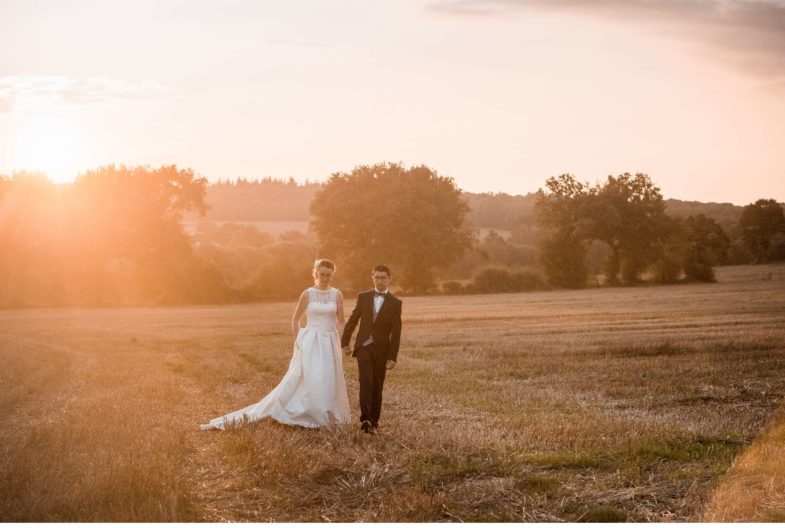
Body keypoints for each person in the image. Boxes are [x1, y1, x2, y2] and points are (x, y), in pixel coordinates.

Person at [201, 259, 351, 430]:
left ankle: (326, 414)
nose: (324, 278)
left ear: (332, 275)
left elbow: (340, 320)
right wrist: (299, 340)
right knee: (309, 376)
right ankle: (302, 411)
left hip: (330, 340)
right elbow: (295, 319)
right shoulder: (308, 294)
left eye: (328, 275)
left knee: (327, 376)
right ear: (316, 273)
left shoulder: (337, 294)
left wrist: (343, 339)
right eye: (322, 274)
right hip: (311, 340)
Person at [341, 264, 402, 434]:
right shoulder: (364, 297)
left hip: (382, 350)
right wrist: (345, 342)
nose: (380, 280)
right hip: (364, 347)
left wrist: (393, 356)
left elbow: (396, 332)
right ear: (372, 278)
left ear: (389, 279)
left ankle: (375, 421)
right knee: (365, 383)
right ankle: (366, 420)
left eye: (383, 277)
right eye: (377, 277)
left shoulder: (395, 303)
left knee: (377, 385)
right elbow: (353, 319)